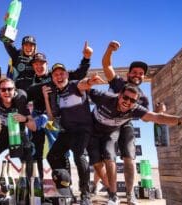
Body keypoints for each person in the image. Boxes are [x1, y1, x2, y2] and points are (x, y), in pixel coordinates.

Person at [78, 76, 182, 205]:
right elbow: (82, 87)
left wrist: (180, 119)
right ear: (119, 95)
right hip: (92, 131)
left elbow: (157, 117)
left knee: (109, 158)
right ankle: (111, 191)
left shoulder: (135, 109)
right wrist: (88, 82)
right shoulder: (105, 97)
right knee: (97, 164)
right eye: (125, 97)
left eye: (132, 100)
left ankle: (113, 196)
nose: (127, 102)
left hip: (110, 133)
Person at [26, 42, 93, 179]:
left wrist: (86, 58)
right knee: (35, 151)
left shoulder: (58, 75)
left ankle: (65, 185)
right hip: (38, 116)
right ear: (33, 66)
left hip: (55, 118)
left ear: (46, 63)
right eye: (36, 64)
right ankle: (39, 188)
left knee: (60, 152)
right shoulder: (32, 82)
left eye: (42, 63)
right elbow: (23, 94)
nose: (39, 66)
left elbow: (79, 73)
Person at [101, 40, 150, 205]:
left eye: (141, 73)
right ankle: (112, 195)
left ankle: (130, 195)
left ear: (144, 77)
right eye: (134, 72)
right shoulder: (119, 83)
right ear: (128, 74)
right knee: (109, 158)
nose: (137, 75)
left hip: (126, 125)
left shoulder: (143, 97)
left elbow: (147, 117)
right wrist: (109, 50)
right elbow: (107, 66)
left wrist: (162, 112)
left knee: (129, 158)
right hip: (108, 125)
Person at [43, 64, 93, 204]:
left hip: (82, 129)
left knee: (79, 156)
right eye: (55, 75)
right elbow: (52, 117)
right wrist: (46, 97)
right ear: (53, 78)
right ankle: (66, 189)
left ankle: (85, 194)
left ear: (67, 75)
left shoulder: (74, 85)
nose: (59, 76)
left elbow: (83, 84)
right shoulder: (55, 94)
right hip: (67, 131)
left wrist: (89, 82)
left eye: (62, 73)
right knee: (52, 155)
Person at [0, 77, 36, 155]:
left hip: (15, 140)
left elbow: (33, 127)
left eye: (10, 89)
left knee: (27, 152)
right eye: (3, 89)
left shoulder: (20, 104)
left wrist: (25, 119)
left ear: (14, 90)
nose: (6, 92)